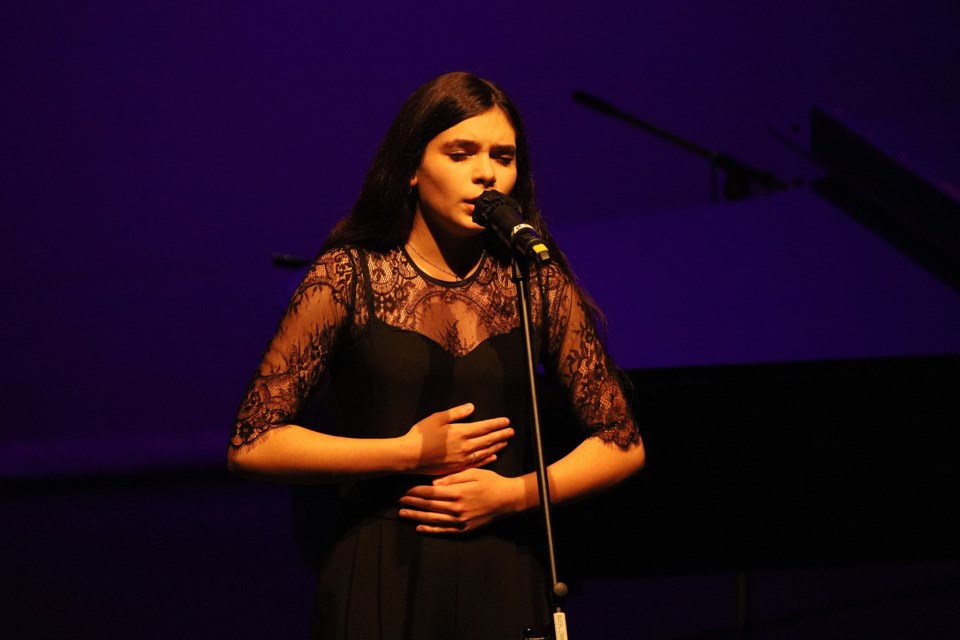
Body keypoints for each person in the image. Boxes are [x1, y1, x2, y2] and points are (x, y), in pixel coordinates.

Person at [228, 71, 645, 640]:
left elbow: (622, 444)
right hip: (381, 566)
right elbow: (253, 444)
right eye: (461, 152)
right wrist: (404, 453)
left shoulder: (535, 279)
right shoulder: (348, 276)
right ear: (410, 167)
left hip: (504, 565)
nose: (486, 172)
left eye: (503, 155)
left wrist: (512, 494)